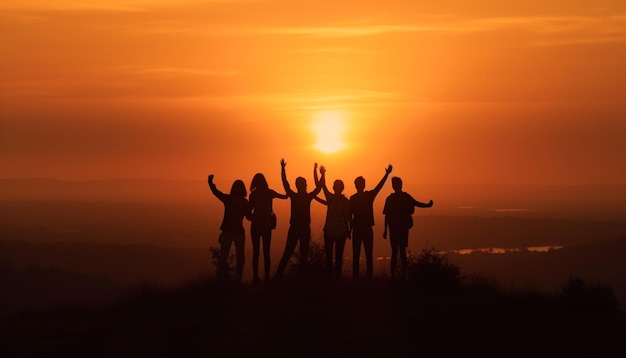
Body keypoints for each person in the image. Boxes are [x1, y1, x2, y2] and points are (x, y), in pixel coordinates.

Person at [274, 158, 325, 278]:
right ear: (304, 185)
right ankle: (296, 277)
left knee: (290, 252)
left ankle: (279, 276)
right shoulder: (306, 196)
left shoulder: (294, 196)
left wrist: (283, 169)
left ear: (297, 185)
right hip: (301, 228)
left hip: (297, 228)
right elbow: (319, 188)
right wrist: (321, 174)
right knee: (301, 254)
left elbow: (285, 183)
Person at [382, 176, 433, 280]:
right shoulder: (402, 197)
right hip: (401, 229)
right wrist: (428, 205)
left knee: (395, 252)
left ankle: (395, 276)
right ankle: (401, 276)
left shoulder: (391, 198)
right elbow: (417, 203)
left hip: (396, 229)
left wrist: (385, 230)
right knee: (401, 252)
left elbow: (387, 216)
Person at [349, 164, 393, 279]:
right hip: (363, 229)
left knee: (360, 255)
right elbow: (379, 187)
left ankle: (358, 279)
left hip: (361, 229)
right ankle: (365, 278)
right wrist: (387, 174)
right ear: (362, 185)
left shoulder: (356, 198)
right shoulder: (366, 196)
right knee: (365, 255)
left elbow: (349, 215)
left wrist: (387, 174)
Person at [208, 174, 252, 282]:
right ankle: (236, 279)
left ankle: (222, 279)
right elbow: (249, 217)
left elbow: (216, 193)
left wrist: (210, 183)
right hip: (235, 232)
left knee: (226, 257)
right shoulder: (242, 202)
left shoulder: (229, 199)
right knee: (237, 257)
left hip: (230, 232)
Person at [248, 173, 288, 284]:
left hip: (256, 226)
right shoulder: (269, 193)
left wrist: (254, 217)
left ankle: (256, 277)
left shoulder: (253, 195)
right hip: (266, 226)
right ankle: (266, 277)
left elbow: (248, 213)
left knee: (256, 253)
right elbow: (285, 196)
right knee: (266, 252)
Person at [314, 164, 351, 279]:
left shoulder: (332, 199)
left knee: (331, 256)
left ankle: (332, 277)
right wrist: (321, 174)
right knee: (336, 256)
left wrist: (321, 174)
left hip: (332, 231)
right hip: (336, 231)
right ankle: (335, 278)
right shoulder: (343, 201)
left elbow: (321, 186)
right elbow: (321, 185)